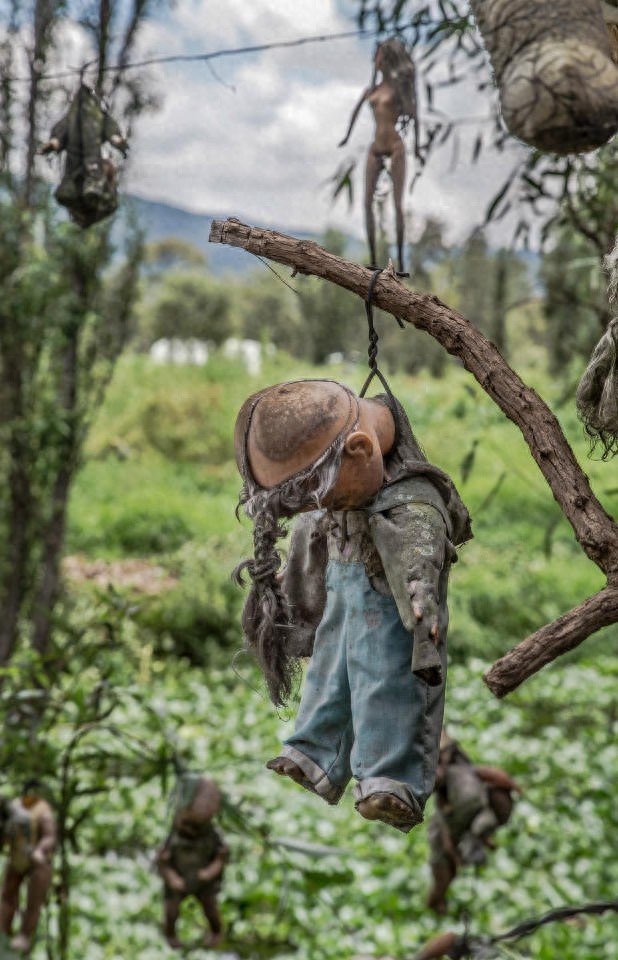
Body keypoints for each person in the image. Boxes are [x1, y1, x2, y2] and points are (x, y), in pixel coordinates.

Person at [234, 379, 471, 833]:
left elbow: (422, 546)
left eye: (334, 498)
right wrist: (298, 578)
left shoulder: (413, 498)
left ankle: (389, 780)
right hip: (340, 604)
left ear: (362, 450)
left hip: (389, 614)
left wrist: (421, 595)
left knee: (386, 688)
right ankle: (313, 752)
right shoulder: (350, 475)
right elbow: (314, 527)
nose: (329, 507)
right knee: (327, 679)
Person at [338, 38, 420, 273]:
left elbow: (416, 115)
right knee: (366, 203)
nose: (376, 62)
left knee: (397, 205)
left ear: (386, 60)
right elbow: (354, 115)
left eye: (379, 57)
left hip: (395, 146)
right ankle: (373, 260)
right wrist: (346, 136)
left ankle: (401, 262)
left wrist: (421, 146)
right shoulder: (371, 91)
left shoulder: (397, 90)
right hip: (375, 147)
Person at [426, 730, 521, 914]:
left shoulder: (465, 780)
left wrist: (511, 785)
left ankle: (438, 898)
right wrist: (456, 856)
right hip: (446, 835)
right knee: (443, 877)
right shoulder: (452, 787)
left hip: (460, 820)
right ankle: (435, 901)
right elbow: (447, 837)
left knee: (449, 873)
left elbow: (489, 775)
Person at [156, 774, 229, 950]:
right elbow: (161, 861)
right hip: (178, 880)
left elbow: (223, 856)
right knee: (171, 912)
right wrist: (171, 875)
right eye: (186, 824)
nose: (190, 830)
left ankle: (216, 932)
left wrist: (212, 869)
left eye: (195, 827)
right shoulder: (173, 836)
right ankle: (170, 935)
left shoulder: (213, 835)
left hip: (204, 880)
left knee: (211, 909)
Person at [40, 84, 128, 228]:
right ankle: (84, 204)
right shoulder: (72, 119)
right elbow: (58, 135)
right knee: (80, 188)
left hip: (91, 170)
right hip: (76, 170)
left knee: (98, 178)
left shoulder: (97, 117)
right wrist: (53, 144)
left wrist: (118, 141)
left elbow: (112, 132)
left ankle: (89, 198)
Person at [0, 781, 56, 954]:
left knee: (34, 900)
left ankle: (24, 935)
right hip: (17, 856)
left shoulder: (43, 810)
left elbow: (49, 836)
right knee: (7, 897)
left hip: (36, 860)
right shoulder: (14, 806)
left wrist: (39, 850)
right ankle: (3, 931)